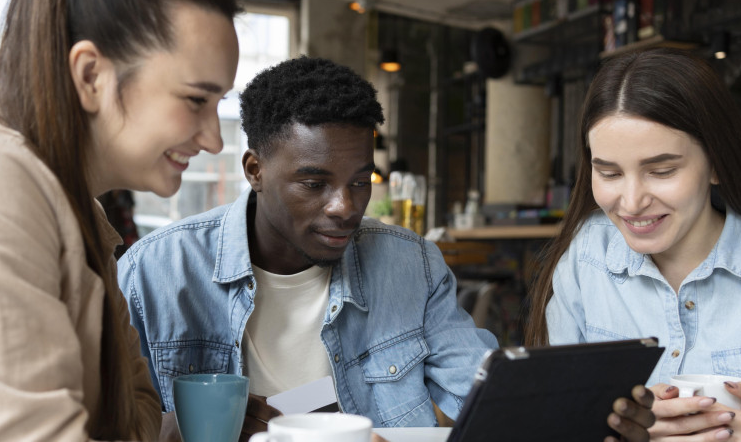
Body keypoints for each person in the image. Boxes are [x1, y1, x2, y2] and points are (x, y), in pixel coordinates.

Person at [117, 56, 655, 442]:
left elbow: (481, 394)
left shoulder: (411, 265)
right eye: (313, 183)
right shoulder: (157, 273)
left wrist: (579, 416)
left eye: (359, 180)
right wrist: (172, 431)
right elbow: (98, 422)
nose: (344, 207)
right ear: (254, 170)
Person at [0, 0, 240, 440]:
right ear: (91, 76)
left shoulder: (78, 210)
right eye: (196, 99)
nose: (215, 140)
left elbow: (136, 416)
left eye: (219, 106)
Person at [525, 48, 741, 440]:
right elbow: (551, 424)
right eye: (609, 172)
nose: (633, 201)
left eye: (662, 170)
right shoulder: (588, 258)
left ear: (717, 163)